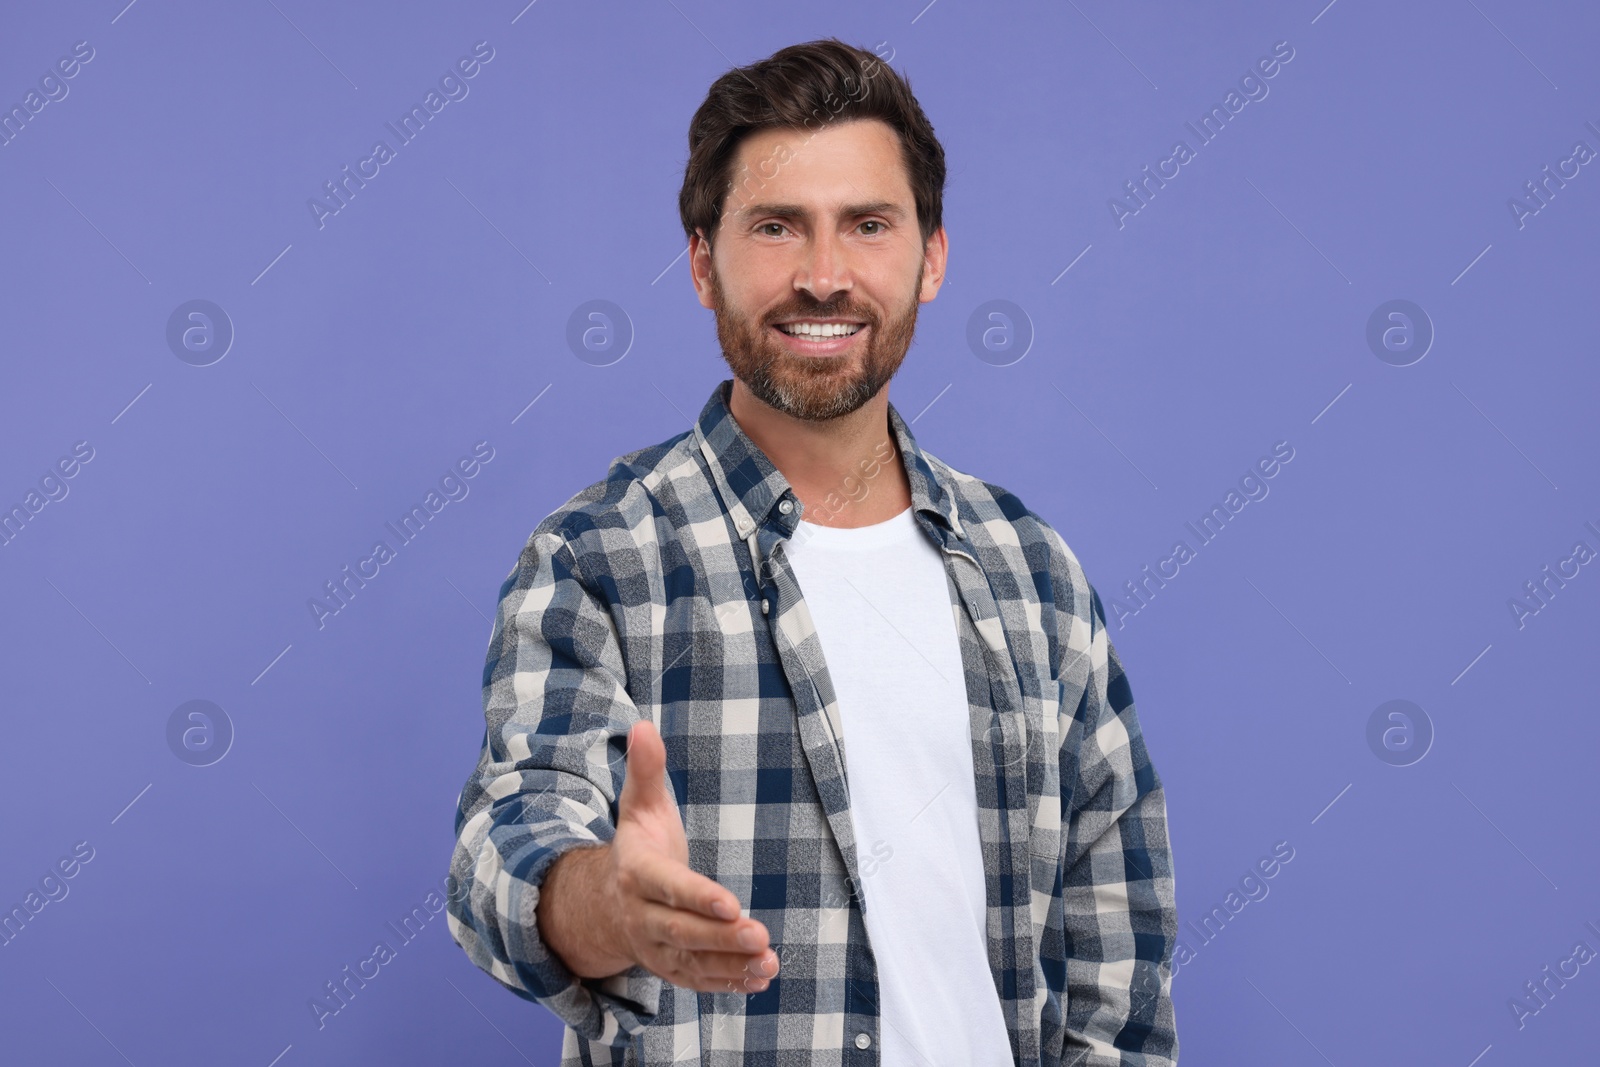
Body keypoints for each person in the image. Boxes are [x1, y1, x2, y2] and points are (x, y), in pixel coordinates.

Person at [446, 37, 1179, 1067]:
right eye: (776, 227)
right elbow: (501, 848)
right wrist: (606, 900)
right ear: (704, 262)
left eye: (867, 225)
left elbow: (1121, 937)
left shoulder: (1032, 571)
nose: (823, 276)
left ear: (931, 256)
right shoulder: (598, 555)